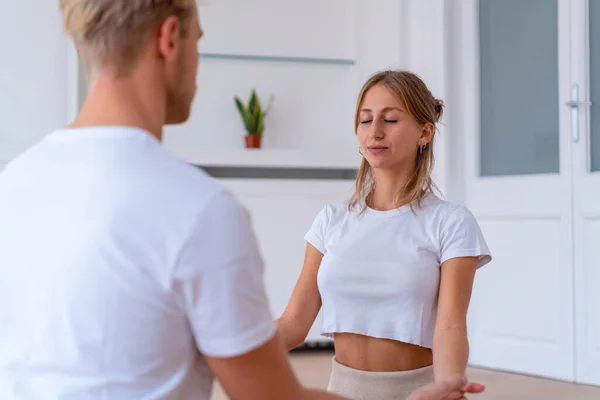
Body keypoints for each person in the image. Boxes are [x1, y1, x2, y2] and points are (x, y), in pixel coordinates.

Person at [0, 0, 484, 398]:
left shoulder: (13, 183)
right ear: (171, 38)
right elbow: (270, 388)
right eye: (199, 41)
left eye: (389, 119)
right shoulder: (199, 210)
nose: (374, 131)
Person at [277, 70, 492, 400]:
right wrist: (220, 350)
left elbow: (450, 326)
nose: (374, 132)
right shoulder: (331, 220)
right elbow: (293, 323)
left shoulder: (449, 222)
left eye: (390, 120)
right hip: (341, 391)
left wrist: (447, 385)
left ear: (425, 132)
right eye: (365, 120)